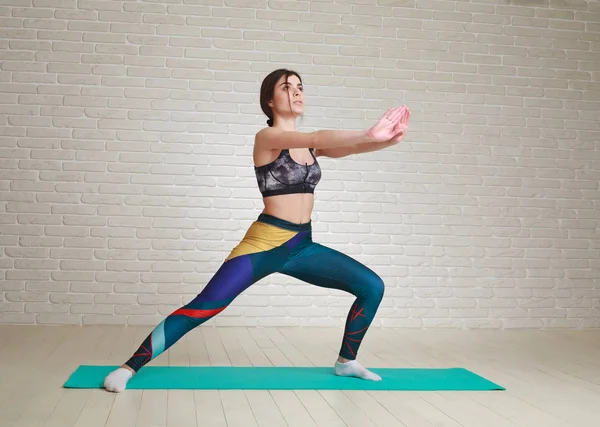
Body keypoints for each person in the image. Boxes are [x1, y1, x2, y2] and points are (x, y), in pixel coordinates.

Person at [104, 68, 410, 392]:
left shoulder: (311, 149)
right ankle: (129, 367)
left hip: (301, 246)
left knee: (372, 286)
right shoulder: (267, 139)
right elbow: (318, 136)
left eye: (300, 87)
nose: (296, 92)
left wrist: (385, 140)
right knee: (206, 306)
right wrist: (369, 132)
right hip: (263, 245)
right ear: (269, 100)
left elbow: (347, 148)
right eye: (286, 87)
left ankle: (346, 362)